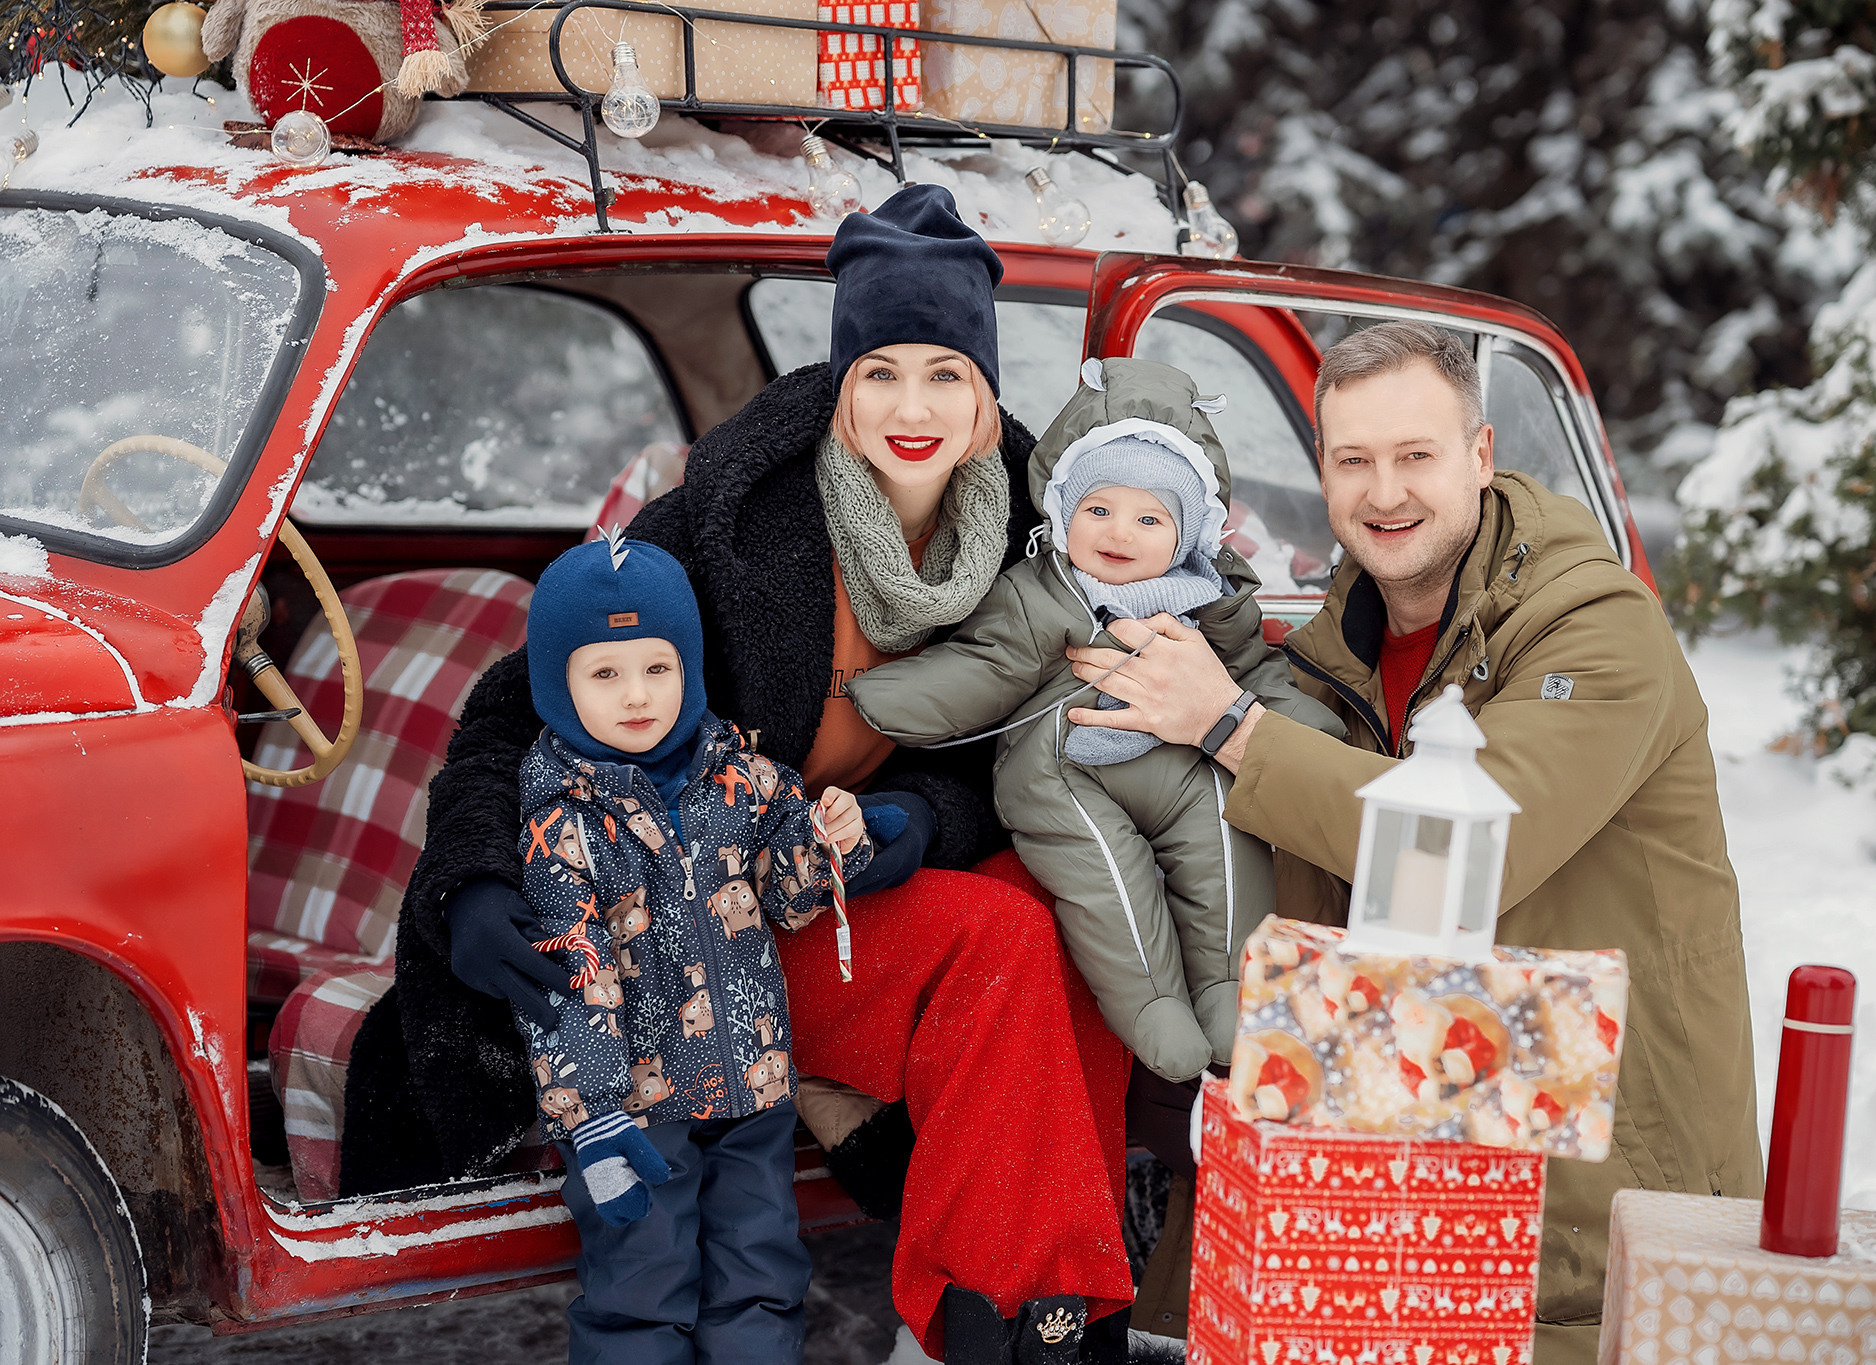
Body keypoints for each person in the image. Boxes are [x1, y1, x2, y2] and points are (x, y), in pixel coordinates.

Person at [339, 184, 1137, 1365]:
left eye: (943, 376)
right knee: (999, 943)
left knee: (1070, 916)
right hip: (690, 912)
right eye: (879, 373)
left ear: (984, 395)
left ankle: (1045, 1313)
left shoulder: (1034, 531)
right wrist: (469, 885)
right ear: (838, 382)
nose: (909, 408)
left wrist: (921, 816)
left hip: (850, 883)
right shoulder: (733, 510)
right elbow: (510, 713)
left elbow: (1012, 757)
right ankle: (991, 1315)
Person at [1064, 321, 1764, 1364]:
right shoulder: (1325, 656)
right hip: (1421, 1168)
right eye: (1352, 460)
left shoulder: (1593, 627)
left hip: (1599, 1199)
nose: (1382, 492)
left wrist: (1226, 727)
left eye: (1414, 456)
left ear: (1480, 458)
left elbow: (1473, 845)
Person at [845, 357, 1344, 1084]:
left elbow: (1252, 673)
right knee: (1105, 873)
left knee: (1224, 827)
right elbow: (988, 667)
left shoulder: (1211, 597)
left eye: (1150, 518)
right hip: (1063, 763)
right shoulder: (1040, 595)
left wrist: (1298, 730)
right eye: (1098, 509)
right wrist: (886, 695)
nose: (1120, 533)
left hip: (1177, 762)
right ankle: (1152, 1004)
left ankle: (1230, 988)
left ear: (1186, 533)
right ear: (1063, 512)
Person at [512, 531, 872, 1358]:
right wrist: (594, 1120)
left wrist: (833, 839)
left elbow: (792, 896)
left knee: (762, 1276)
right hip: (638, 1109)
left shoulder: (743, 775)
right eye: (605, 673)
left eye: (657, 668)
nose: (637, 695)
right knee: (641, 1285)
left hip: (754, 1087)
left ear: (690, 668)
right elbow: (571, 973)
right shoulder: (562, 821)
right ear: (558, 682)